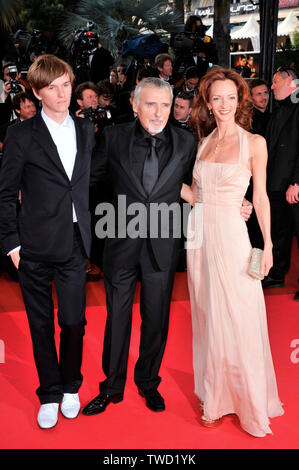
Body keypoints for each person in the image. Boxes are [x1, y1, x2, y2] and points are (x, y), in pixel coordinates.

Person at [81, 77, 252, 417]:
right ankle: (111, 387)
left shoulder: (187, 142)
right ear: (134, 104)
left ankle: (148, 382)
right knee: (117, 317)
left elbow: (198, 186)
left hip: (163, 243)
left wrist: (235, 203)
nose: (158, 112)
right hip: (120, 240)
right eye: (150, 104)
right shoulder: (112, 138)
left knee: (156, 319)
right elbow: (87, 181)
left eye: (164, 105)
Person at [181, 68, 284, 437]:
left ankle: (249, 402)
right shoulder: (203, 142)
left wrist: (268, 245)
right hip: (199, 235)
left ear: (238, 101)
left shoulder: (253, 142)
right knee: (209, 316)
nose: (223, 105)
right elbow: (195, 193)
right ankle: (216, 395)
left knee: (240, 315)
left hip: (231, 236)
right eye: (216, 98)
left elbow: (260, 197)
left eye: (229, 97)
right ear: (207, 102)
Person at [0, 54, 96, 429]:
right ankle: (50, 392)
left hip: (74, 241)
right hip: (33, 246)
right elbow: (6, 193)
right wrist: (12, 244)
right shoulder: (21, 135)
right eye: (52, 88)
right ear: (38, 92)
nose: (62, 93)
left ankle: (71, 384)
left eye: (66, 85)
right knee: (40, 325)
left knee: (73, 321)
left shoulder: (86, 130)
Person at [263, 67, 299, 300]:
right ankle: (276, 274)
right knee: (279, 231)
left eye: (276, 82)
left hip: (293, 184)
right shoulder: (279, 109)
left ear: (292, 83)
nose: (272, 87)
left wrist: (297, 182)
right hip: (275, 182)